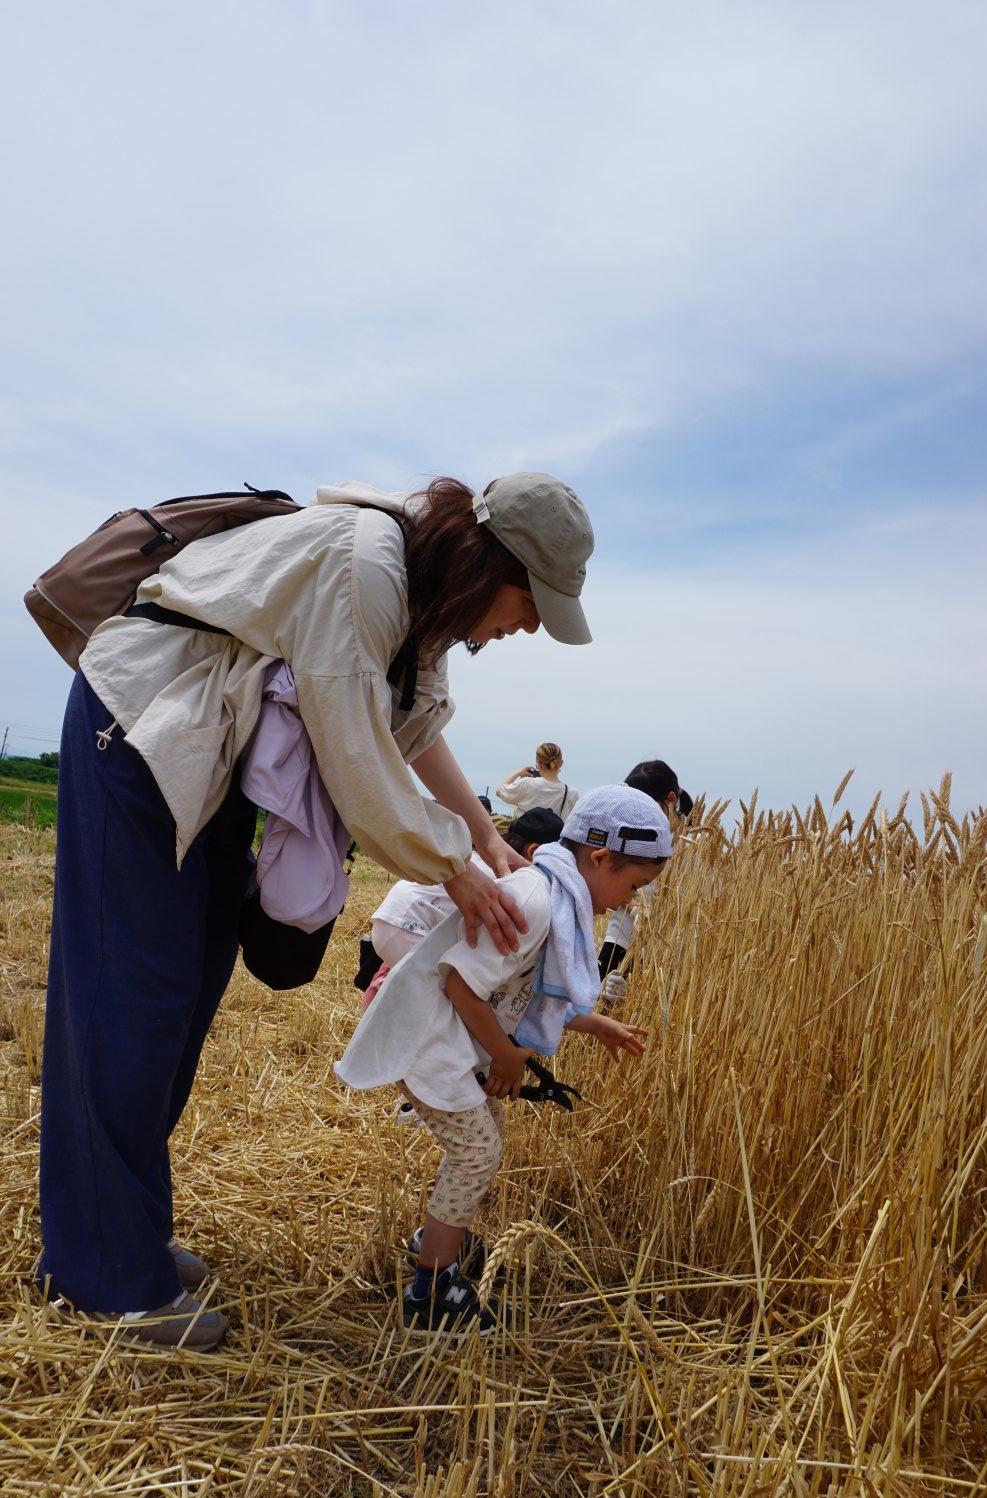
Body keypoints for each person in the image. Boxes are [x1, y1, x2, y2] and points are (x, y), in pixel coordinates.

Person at [39, 470, 594, 1350]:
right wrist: (457, 869)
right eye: (531, 603)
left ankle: (121, 1231)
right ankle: (105, 1276)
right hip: (140, 732)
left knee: (182, 999)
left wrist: (488, 843)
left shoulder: (416, 597)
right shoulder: (366, 567)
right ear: (493, 563)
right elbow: (355, 753)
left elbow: (413, 729)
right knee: (132, 999)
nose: (526, 626)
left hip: (205, 754)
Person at [335, 785, 670, 1332]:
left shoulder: (556, 897)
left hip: (449, 1041)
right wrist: (507, 1057)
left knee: (484, 1140)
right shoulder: (537, 901)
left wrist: (596, 1024)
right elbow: (461, 985)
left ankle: (438, 1242)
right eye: (633, 885)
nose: (629, 900)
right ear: (600, 857)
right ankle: (432, 1292)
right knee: (476, 1154)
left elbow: (525, 991)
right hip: (428, 1042)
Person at [360, 808, 566, 1136]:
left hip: (399, 921)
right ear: (535, 851)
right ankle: (425, 1094)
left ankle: (427, 1091)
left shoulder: (499, 863)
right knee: (457, 1003)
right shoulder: (523, 882)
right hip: (408, 925)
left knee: (447, 993)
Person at [598, 760, 691, 993]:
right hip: (622, 934)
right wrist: (635, 907)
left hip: (669, 948)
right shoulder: (628, 834)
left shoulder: (694, 847)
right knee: (600, 999)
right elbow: (608, 880)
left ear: (670, 800)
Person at [496, 742, 579, 818]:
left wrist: (519, 773)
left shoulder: (527, 784)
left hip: (522, 834)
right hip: (553, 834)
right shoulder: (572, 794)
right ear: (560, 763)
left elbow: (499, 791)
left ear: (539, 764)